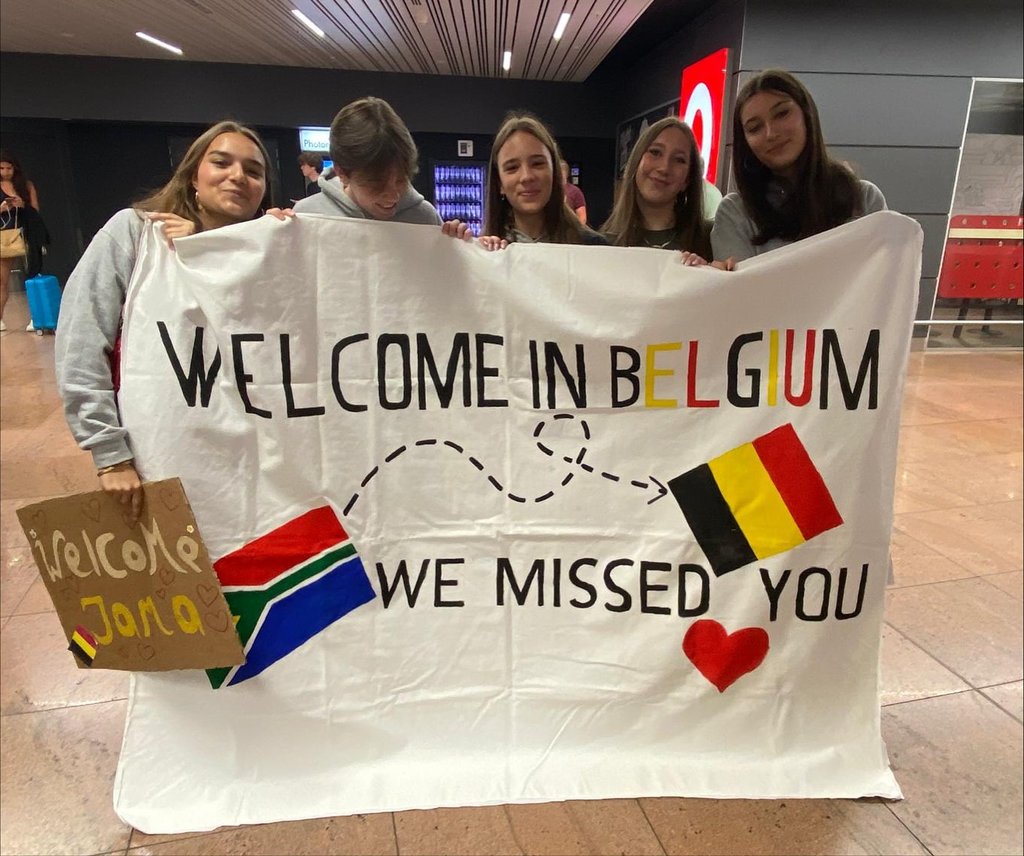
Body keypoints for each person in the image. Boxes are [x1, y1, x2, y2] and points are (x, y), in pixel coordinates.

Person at [55, 120, 275, 523]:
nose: (237, 176)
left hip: (255, 469)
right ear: (194, 174)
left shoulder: (268, 251)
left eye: (253, 170)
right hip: (159, 458)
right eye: (222, 162)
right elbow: (81, 341)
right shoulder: (136, 234)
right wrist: (110, 456)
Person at [711, 69, 887, 262]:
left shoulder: (864, 198)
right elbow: (738, 290)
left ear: (807, 113)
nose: (771, 133)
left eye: (782, 113)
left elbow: (884, 280)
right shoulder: (735, 213)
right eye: (755, 128)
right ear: (745, 141)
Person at [293, 97, 441, 225]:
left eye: (401, 180)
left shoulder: (425, 217)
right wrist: (274, 232)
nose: (393, 196)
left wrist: (455, 241)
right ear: (342, 173)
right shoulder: (307, 216)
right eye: (377, 183)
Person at [473, 114, 606, 248]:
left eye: (537, 163)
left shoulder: (594, 248)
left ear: (554, 172)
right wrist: (454, 244)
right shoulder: (485, 254)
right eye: (512, 167)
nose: (526, 176)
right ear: (499, 183)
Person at [601, 116, 715, 266]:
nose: (664, 168)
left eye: (679, 160)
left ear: (687, 179)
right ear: (637, 161)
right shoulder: (602, 245)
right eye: (655, 152)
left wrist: (709, 273)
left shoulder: (711, 239)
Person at [1, 149, 41, 332]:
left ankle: (38, 317)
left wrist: (22, 205)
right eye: (1, 168)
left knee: (33, 276)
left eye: (9, 168)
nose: (5, 172)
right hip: (4, 236)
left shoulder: (26, 185)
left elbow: (35, 211)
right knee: (2, 280)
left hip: (26, 233)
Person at [560, 159, 587, 224]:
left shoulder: (575, 191)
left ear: (566, 173)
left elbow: (582, 218)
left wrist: (576, 232)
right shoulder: (548, 190)